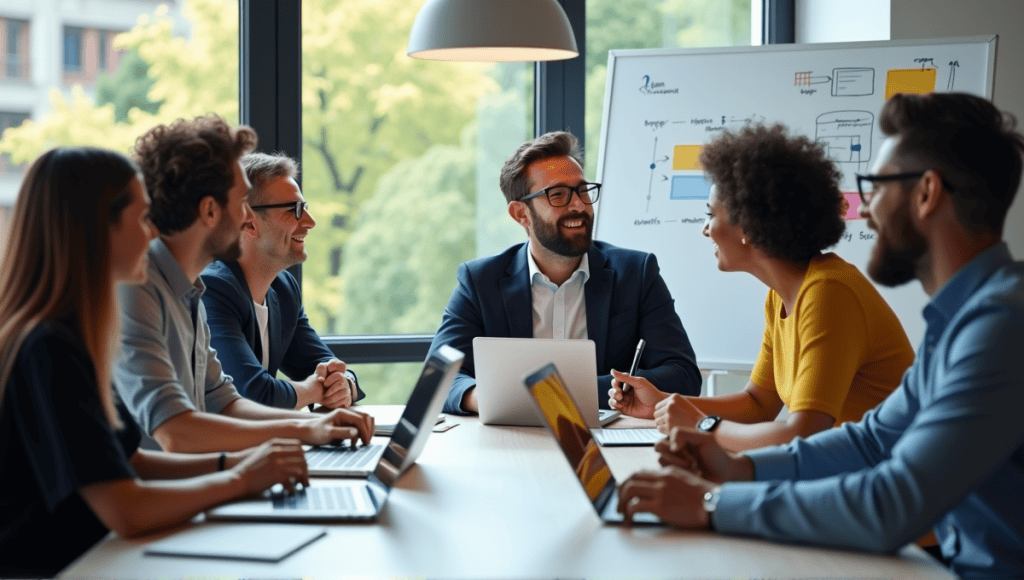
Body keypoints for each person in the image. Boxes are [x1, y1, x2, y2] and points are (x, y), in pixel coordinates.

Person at [617, 92, 1024, 579]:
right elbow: (872, 442)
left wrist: (711, 503)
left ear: (926, 193)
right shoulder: (961, 322)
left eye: (875, 185)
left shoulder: (1001, 326)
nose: (864, 208)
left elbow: (892, 503)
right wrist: (740, 471)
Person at [0, 147, 311, 578]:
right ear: (98, 230)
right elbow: (127, 508)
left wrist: (237, 464)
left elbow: (134, 463)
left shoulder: (73, 334)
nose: (153, 236)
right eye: (143, 219)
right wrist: (240, 481)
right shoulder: (48, 347)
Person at [610, 124, 915, 451]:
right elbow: (759, 404)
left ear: (748, 227)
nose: (705, 230)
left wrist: (701, 425)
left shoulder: (829, 293)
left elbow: (802, 436)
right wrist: (663, 403)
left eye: (710, 215)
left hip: (886, 481)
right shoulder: (781, 296)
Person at [114, 115, 373, 453]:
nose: (248, 220)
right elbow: (175, 433)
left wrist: (319, 425)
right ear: (210, 210)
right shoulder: (137, 286)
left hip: (183, 484)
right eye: (241, 203)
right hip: (155, 496)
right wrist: (302, 432)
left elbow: (226, 403)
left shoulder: (189, 290)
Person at [427, 131, 701, 415]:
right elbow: (436, 380)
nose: (579, 205)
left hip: (607, 441)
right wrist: (487, 397)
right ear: (521, 214)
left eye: (583, 191)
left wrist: (541, 395)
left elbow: (683, 375)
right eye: (558, 195)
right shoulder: (479, 281)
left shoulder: (636, 273)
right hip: (511, 441)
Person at [201, 152, 361, 410]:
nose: (310, 222)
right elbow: (249, 393)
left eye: (305, 208)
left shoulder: (283, 289)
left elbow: (325, 366)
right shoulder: (212, 291)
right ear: (248, 223)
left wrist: (345, 385)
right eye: (294, 210)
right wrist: (313, 390)